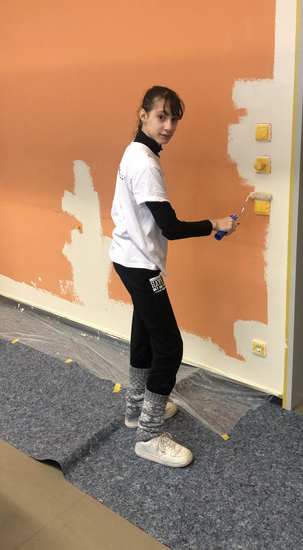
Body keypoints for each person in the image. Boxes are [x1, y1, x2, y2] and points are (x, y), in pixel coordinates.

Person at [110, 85, 237, 467]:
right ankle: (148, 436)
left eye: (174, 119)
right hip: (139, 264)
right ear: (143, 114)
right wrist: (216, 223)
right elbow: (171, 227)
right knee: (169, 348)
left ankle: (136, 411)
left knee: (145, 334)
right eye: (161, 116)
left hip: (127, 258)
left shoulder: (136, 151)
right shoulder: (146, 164)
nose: (168, 126)